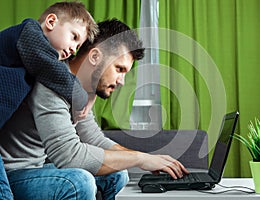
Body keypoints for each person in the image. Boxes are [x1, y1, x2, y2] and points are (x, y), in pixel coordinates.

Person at [0, 19, 189, 200]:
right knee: (79, 182)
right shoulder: (52, 84)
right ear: (95, 56)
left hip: (37, 169)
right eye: (119, 69)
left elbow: (93, 139)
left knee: (117, 174)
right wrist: (139, 159)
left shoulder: (77, 88)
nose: (121, 81)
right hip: (13, 175)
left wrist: (145, 159)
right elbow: (69, 156)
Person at [0, 1, 98, 129]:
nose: (74, 49)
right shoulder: (29, 33)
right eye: (74, 37)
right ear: (51, 22)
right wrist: (83, 98)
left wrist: (92, 93)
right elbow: (56, 74)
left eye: (78, 47)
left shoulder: (46, 54)